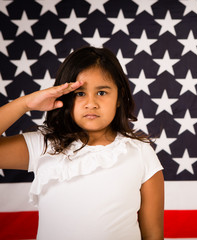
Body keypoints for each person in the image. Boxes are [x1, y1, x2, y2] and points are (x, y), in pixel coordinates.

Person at [0, 46, 164, 240]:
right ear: (64, 96)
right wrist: (25, 104)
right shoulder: (44, 145)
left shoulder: (140, 153)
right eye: (80, 93)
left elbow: (153, 234)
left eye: (102, 93)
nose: (91, 103)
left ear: (119, 97)